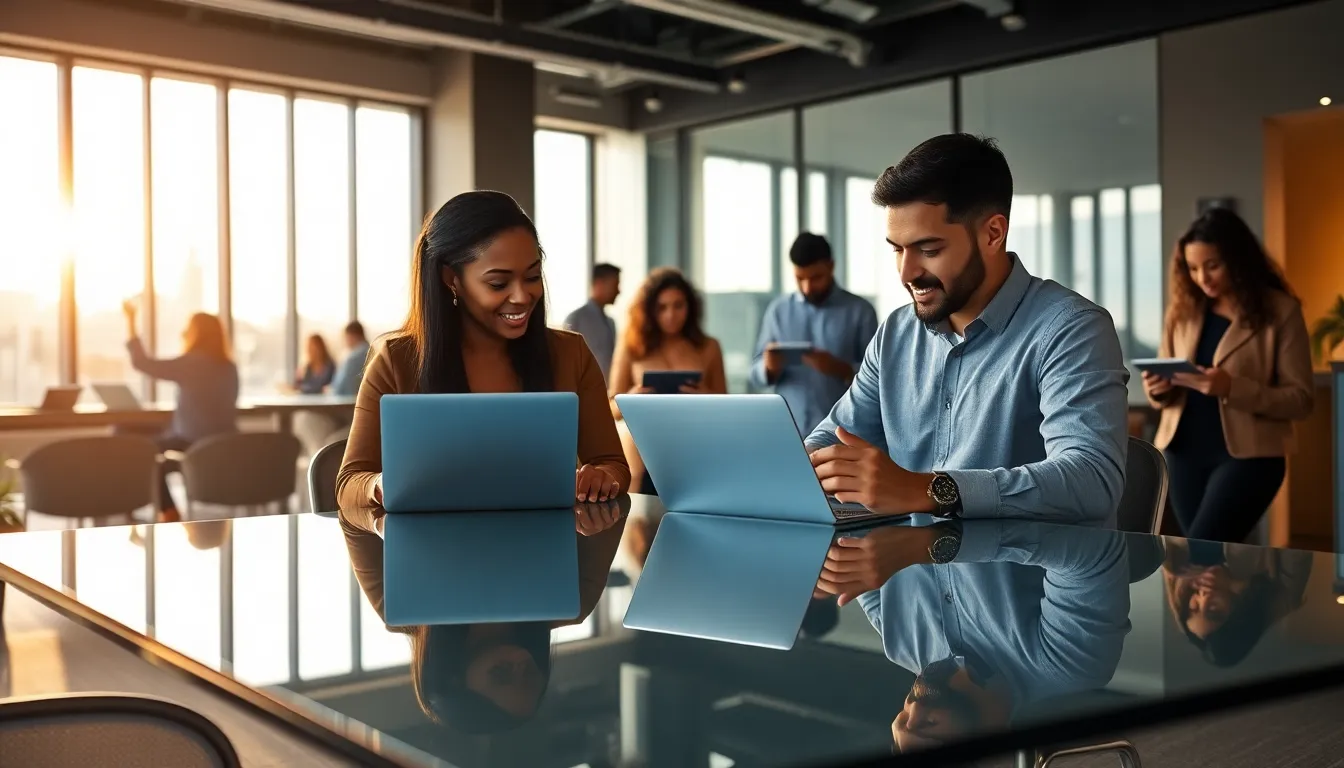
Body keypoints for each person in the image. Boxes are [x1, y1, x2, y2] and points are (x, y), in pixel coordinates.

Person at [804, 134, 1129, 528]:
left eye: (929, 249)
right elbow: (831, 441)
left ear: (993, 233)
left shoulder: (1071, 328)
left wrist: (927, 491)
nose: (906, 273)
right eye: (897, 249)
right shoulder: (896, 333)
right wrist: (793, 468)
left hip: (1031, 581)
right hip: (911, 571)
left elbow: (1091, 482)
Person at [335, 190, 630, 516]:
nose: (522, 296)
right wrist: (381, 484)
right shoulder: (396, 359)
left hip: (543, 551)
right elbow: (349, 482)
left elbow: (614, 465)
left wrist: (601, 478)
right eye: (498, 284)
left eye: (532, 276)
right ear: (452, 279)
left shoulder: (570, 353)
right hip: (435, 554)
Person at [811, 520, 1132, 753]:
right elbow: (1094, 550)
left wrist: (824, 564)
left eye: (903, 725)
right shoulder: (1070, 664)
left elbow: (849, 535)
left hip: (896, 444)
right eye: (930, 730)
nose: (914, 712)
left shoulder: (899, 643)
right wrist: (934, 542)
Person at [341, 499, 626, 731]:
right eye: (529, 673)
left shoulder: (398, 607)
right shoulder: (571, 602)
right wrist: (595, 500)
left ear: (454, 678)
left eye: (500, 674)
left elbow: (350, 514)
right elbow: (618, 507)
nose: (519, 662)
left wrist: (382, 513)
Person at [1142, 208, 1314, 544]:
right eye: (1192, 268)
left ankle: (1260, 593)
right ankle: (1256, 595)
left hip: (1249, 457)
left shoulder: (1281, 312)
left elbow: (1301, 400)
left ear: (1239, 260)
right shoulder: (1183, 311)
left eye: (1212, 266)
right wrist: (1158, 389)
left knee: (1205, 550)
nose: (1202, 278)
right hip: (1183, 452)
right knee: (1207, 566)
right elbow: (1162, 391)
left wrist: (1231, 387)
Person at [608, 267, 727, 493]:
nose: (670, 315)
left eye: (678, 306)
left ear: (690, 307)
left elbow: (727, 407)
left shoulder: (709, 347)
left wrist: (706, 396)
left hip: (695, 449)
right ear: (649, 310)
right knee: (642, 523)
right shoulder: (632, 347)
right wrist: (630, 399)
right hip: (642, 455)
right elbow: (610, 408)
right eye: (662, 307)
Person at [749, 232, 879, 435]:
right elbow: (754, 374)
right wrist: (768, 368)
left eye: (815, 278)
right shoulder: (778, 311)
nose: (807, 287)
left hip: (842, 434)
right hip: (787, 432)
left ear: (831, 266)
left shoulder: (860, 311)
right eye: (800, 278)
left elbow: (878, 379)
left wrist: (841, 369)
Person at [122, 300, 239, 522]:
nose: (184, 332)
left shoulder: (191, 363)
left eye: (188, 329)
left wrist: (130, 320)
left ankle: (168, 513)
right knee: (152, 440)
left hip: (192, 442)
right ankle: (166, 512)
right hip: (226, 444)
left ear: (196, 334)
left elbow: (142, 363)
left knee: (139, 451)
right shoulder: (229, 367)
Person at [1161, 537, 1311, 667]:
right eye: (1214, 611)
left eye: (1194, 607)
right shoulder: (1277, 582)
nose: (1203, 597)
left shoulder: (1179, 560)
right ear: (1240, 616)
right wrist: (1235, 583)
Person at [563, 263, 621, 382]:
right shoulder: (575, 319)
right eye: (615, 285)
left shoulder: (611, 323)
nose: (618, 291)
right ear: (599, 284)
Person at [331, 321, 370, 397]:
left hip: (349, 402)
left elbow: (341, 387)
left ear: (352, 336)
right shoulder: (372, 352)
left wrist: (331, 390)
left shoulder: (353, 359)